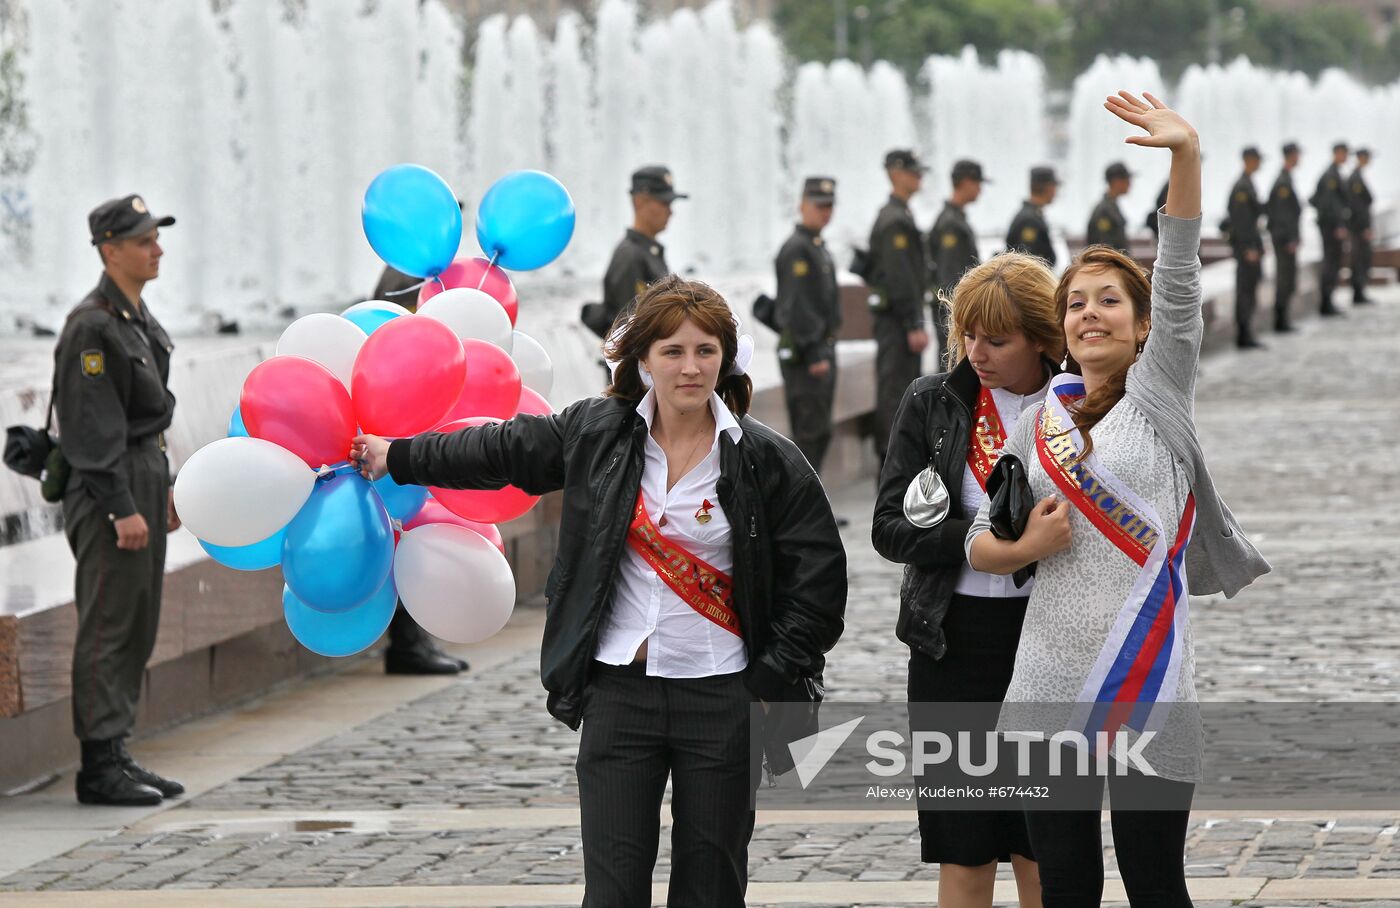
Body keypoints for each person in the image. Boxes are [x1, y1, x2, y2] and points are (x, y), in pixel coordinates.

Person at [352, 275, 847, 907]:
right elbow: (502, 449)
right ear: (642, 360)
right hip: (619, 696)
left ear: (726, 359)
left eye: (705, 351)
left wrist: (770, 678)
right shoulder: (597, 433)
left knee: (712, 885)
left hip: (724, 695)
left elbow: (820, 580)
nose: (689, 368)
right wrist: (399, 456)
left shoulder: (763, 459)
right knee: (612, 890)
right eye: (672, 351)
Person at [967, 91, 1269, 904]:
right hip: (1044, 677)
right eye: (1075, 302)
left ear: (1142, 327)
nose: (1090, 313)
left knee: (1153, 882)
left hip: (1149, 676)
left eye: (1109, 300)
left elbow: (1178, 277)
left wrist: (1186, 156)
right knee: (1064, 884)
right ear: (1060, 328)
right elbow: (977, 544)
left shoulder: (1160, 395)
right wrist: (1021, 548)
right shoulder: (1036, 424)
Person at [873, 252, 1066, 908]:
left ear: (1044, 337)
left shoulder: (1081, 404)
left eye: (998, 339)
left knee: (1041, 846)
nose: (977, 352)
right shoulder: (935, 402)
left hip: (1051, 641)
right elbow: (888, 527)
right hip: (950, 644)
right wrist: (980, 546)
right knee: (963, 845)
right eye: (968, 335)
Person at [54, 195, 184, 806]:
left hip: (142, 475)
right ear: (110, 250)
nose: (156, 248)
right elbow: (89, 428)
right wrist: (121, 505)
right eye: (143, 240)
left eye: (156, 237)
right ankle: (97, 767)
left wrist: (166, 484)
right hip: (111, 486)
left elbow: (150, 411)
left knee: (137, 620)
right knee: (109, 623)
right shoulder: (93, 325)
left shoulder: (132, 316)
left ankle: (117, 750)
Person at [367, 267, 469, 676]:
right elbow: (404, 347)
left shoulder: (422, 272)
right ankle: (408, 643)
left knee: (413, 530)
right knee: (405, 530)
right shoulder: (406, 277)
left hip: (412, 426)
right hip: (395, 430)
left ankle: (415, 638)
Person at [867, 149, 932, 466]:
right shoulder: (894, 220)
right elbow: (899, 277)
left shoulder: (899, 214)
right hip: (896, 322)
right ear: (895, 173)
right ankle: (890, 465)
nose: (918, 178)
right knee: (895, 391)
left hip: (898, 320)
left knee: (902, 387)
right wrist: (913, 323)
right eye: (913, 172)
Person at [774, 177, 842, 474]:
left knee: (819, 430)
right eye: (818, 206)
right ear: (802, 205)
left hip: (820, 351)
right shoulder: (798, 250)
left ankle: (812, 506)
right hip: (807, 357)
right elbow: (797, 306)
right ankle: (802, 513)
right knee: (808, 433)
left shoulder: (815, 246)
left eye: (829, 206)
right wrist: (814, 352)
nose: (824, 212)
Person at [584, 165, 684, 337]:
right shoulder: (631, 256)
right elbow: (630, 329)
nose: (670, 211)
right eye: (664, 203)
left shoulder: (647, 251)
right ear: (640, 202)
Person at [931, 160, 987, 358]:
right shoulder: (951, 223)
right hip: (954, 308)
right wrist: (959, 313)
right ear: (965, 182)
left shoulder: (956, 218)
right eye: (977, 183)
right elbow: (951, 275)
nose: (980, 189)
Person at [1226, 146, 1266, 349]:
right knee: (1245, 290)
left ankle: (1247, 331)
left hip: (1251, 246)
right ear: (1249, 159)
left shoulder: (1248, 183)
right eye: (1257, 159)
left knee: (1250, 289)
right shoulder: (1242, 187)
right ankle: (1243, 334)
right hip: (1246, 249)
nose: (1259, 163)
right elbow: (1242, 221)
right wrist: (1249, 247)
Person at [1265, 142, 1302, 333]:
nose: (1300, 158)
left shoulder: (1286, 179)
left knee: (1288, 278)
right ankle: (1280, 320)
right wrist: (1290, 239)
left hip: (1286, 238)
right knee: (1284, 277)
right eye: (1297, 154)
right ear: (1291, 155)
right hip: (1284, 240)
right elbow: (1282, 215)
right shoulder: (1283, 183)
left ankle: (1283, 319)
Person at [1310, 142, 1350, 317]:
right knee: (1330, 262)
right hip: (1330, 227)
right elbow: (1329, 204)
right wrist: (1338, 225)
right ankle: (1326, 302)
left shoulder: (1334, 174)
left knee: (1334, 262)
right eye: (1345, 153)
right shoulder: (1331, 177)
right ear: (1337, 153)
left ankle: (1328, 301)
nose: (1346, 157)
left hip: (1330, 226)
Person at [1005, 166, 1059, 267]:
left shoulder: (1032, 215)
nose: (1056, 191)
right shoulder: (1029, 221)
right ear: (1048, 187)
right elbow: (1027, 262)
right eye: (1055, 186)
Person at [1347, 148, 1374, 305]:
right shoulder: (1355, 178)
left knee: (1362, 259)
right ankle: (1358, 292)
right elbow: (1357, 206)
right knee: (1358, 259)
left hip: (1359, 227)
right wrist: (1364, 227)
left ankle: (1360, 291)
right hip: (1358, 227)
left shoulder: (1358, 176)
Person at [1086, 161, 1131, 253]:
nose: (1129, 183)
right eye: (1126, 179)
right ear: (1116, 181)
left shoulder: (1112, 206)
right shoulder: (1104, 210)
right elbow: (1103, 248)